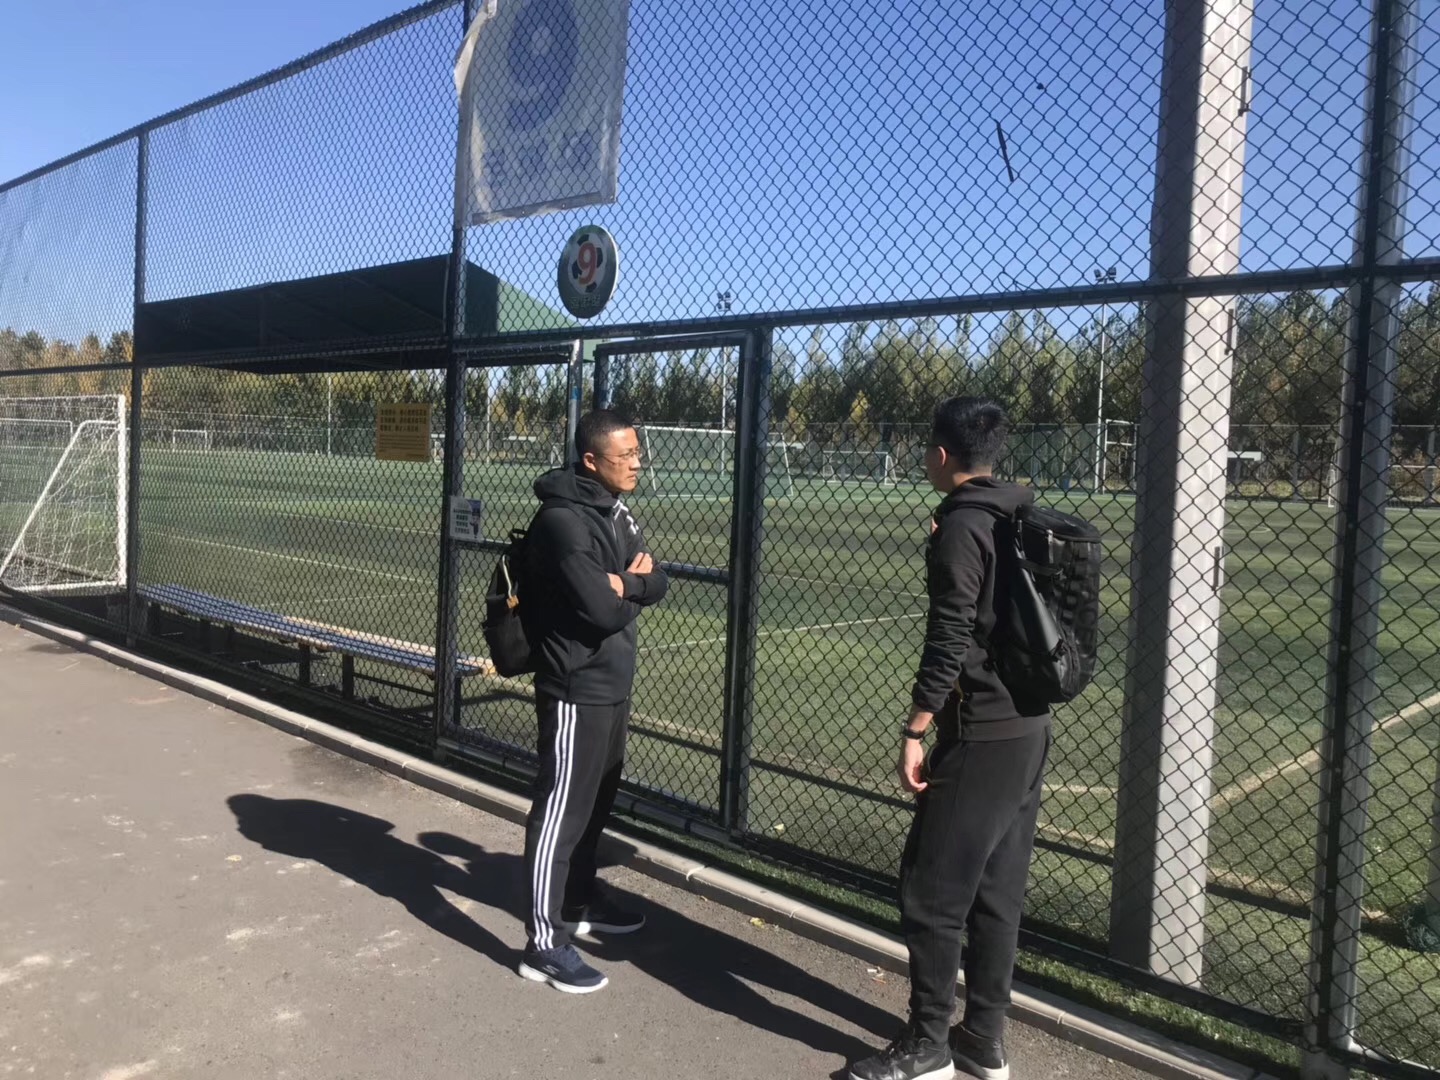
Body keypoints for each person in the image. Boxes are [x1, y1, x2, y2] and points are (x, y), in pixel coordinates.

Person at [849, 397, 1051, 1080]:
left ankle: (929, 1043)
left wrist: (917, 726)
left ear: (941, 455)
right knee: (996, 892)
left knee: (931, 892)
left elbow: (950, 635)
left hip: (983, 732)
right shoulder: (1017, 512)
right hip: (1028, 726)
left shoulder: (965, 524)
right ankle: (982, 1039)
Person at [516, 409, 668, 994]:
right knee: (561, 811)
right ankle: (543, 944)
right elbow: (601, 611)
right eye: (625, 455)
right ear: (590, 460)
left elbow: (656, 579)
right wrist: (630, 587)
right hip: (575, 687)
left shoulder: (616, 510)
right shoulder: (562, 522)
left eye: (637, 452)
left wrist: (625, 583)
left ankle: (578, 896)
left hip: (612, 683)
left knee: (597, 803)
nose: (637, 463)